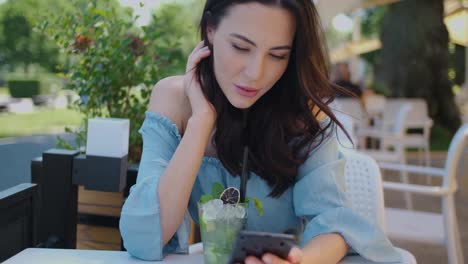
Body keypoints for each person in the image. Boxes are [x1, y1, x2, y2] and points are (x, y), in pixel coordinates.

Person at [120, 1, 401, 263]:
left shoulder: (303, 115)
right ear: (211, 30)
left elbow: (334, 223)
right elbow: (143, 238)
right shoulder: (176, 100)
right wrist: (200, 123)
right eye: (241, 47)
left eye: (277, 55)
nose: (256, 73)